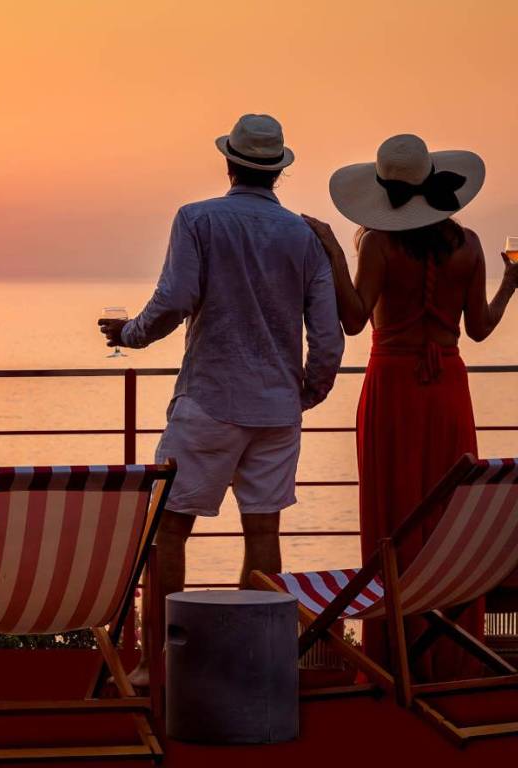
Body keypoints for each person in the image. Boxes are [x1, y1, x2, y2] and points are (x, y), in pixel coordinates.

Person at [100, 114, 344, 685]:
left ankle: (157, 666)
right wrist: (306, 391)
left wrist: (129, 335)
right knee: (263, 533)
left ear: (229, 163)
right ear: (277, 172)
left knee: (170, 531)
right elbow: (328, 337)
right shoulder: (303, 237)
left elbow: (174, 300)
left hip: (210, 401)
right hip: (278, 411)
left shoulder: (198, 219)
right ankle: (252, 665)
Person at [304, 133, 518, 681]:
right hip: (449, 390)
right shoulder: (469, 244)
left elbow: (353, 320)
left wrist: (332, 252)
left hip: (393, 391)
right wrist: (512, 283)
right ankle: (454, 654)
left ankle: (394, 657)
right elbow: (480, 328)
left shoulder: (376, 244)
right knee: (451, 519)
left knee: (394, 516)